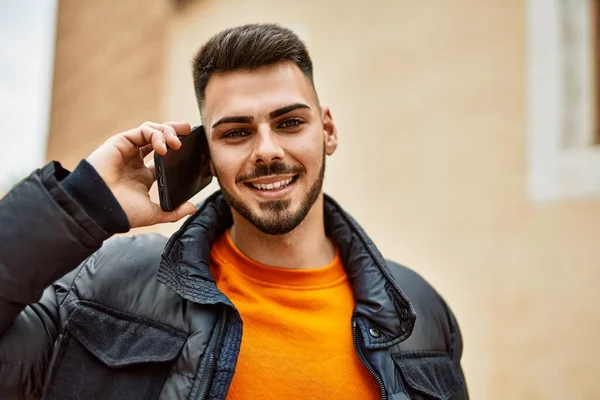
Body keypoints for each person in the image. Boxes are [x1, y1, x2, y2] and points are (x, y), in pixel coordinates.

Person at [0, 24, 468, 400]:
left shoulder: (420, 312)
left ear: (327, 130)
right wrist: (83, 202)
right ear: (206, 155)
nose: (267, 150)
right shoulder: (108, 285)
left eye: (289, 123)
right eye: (236, 132)